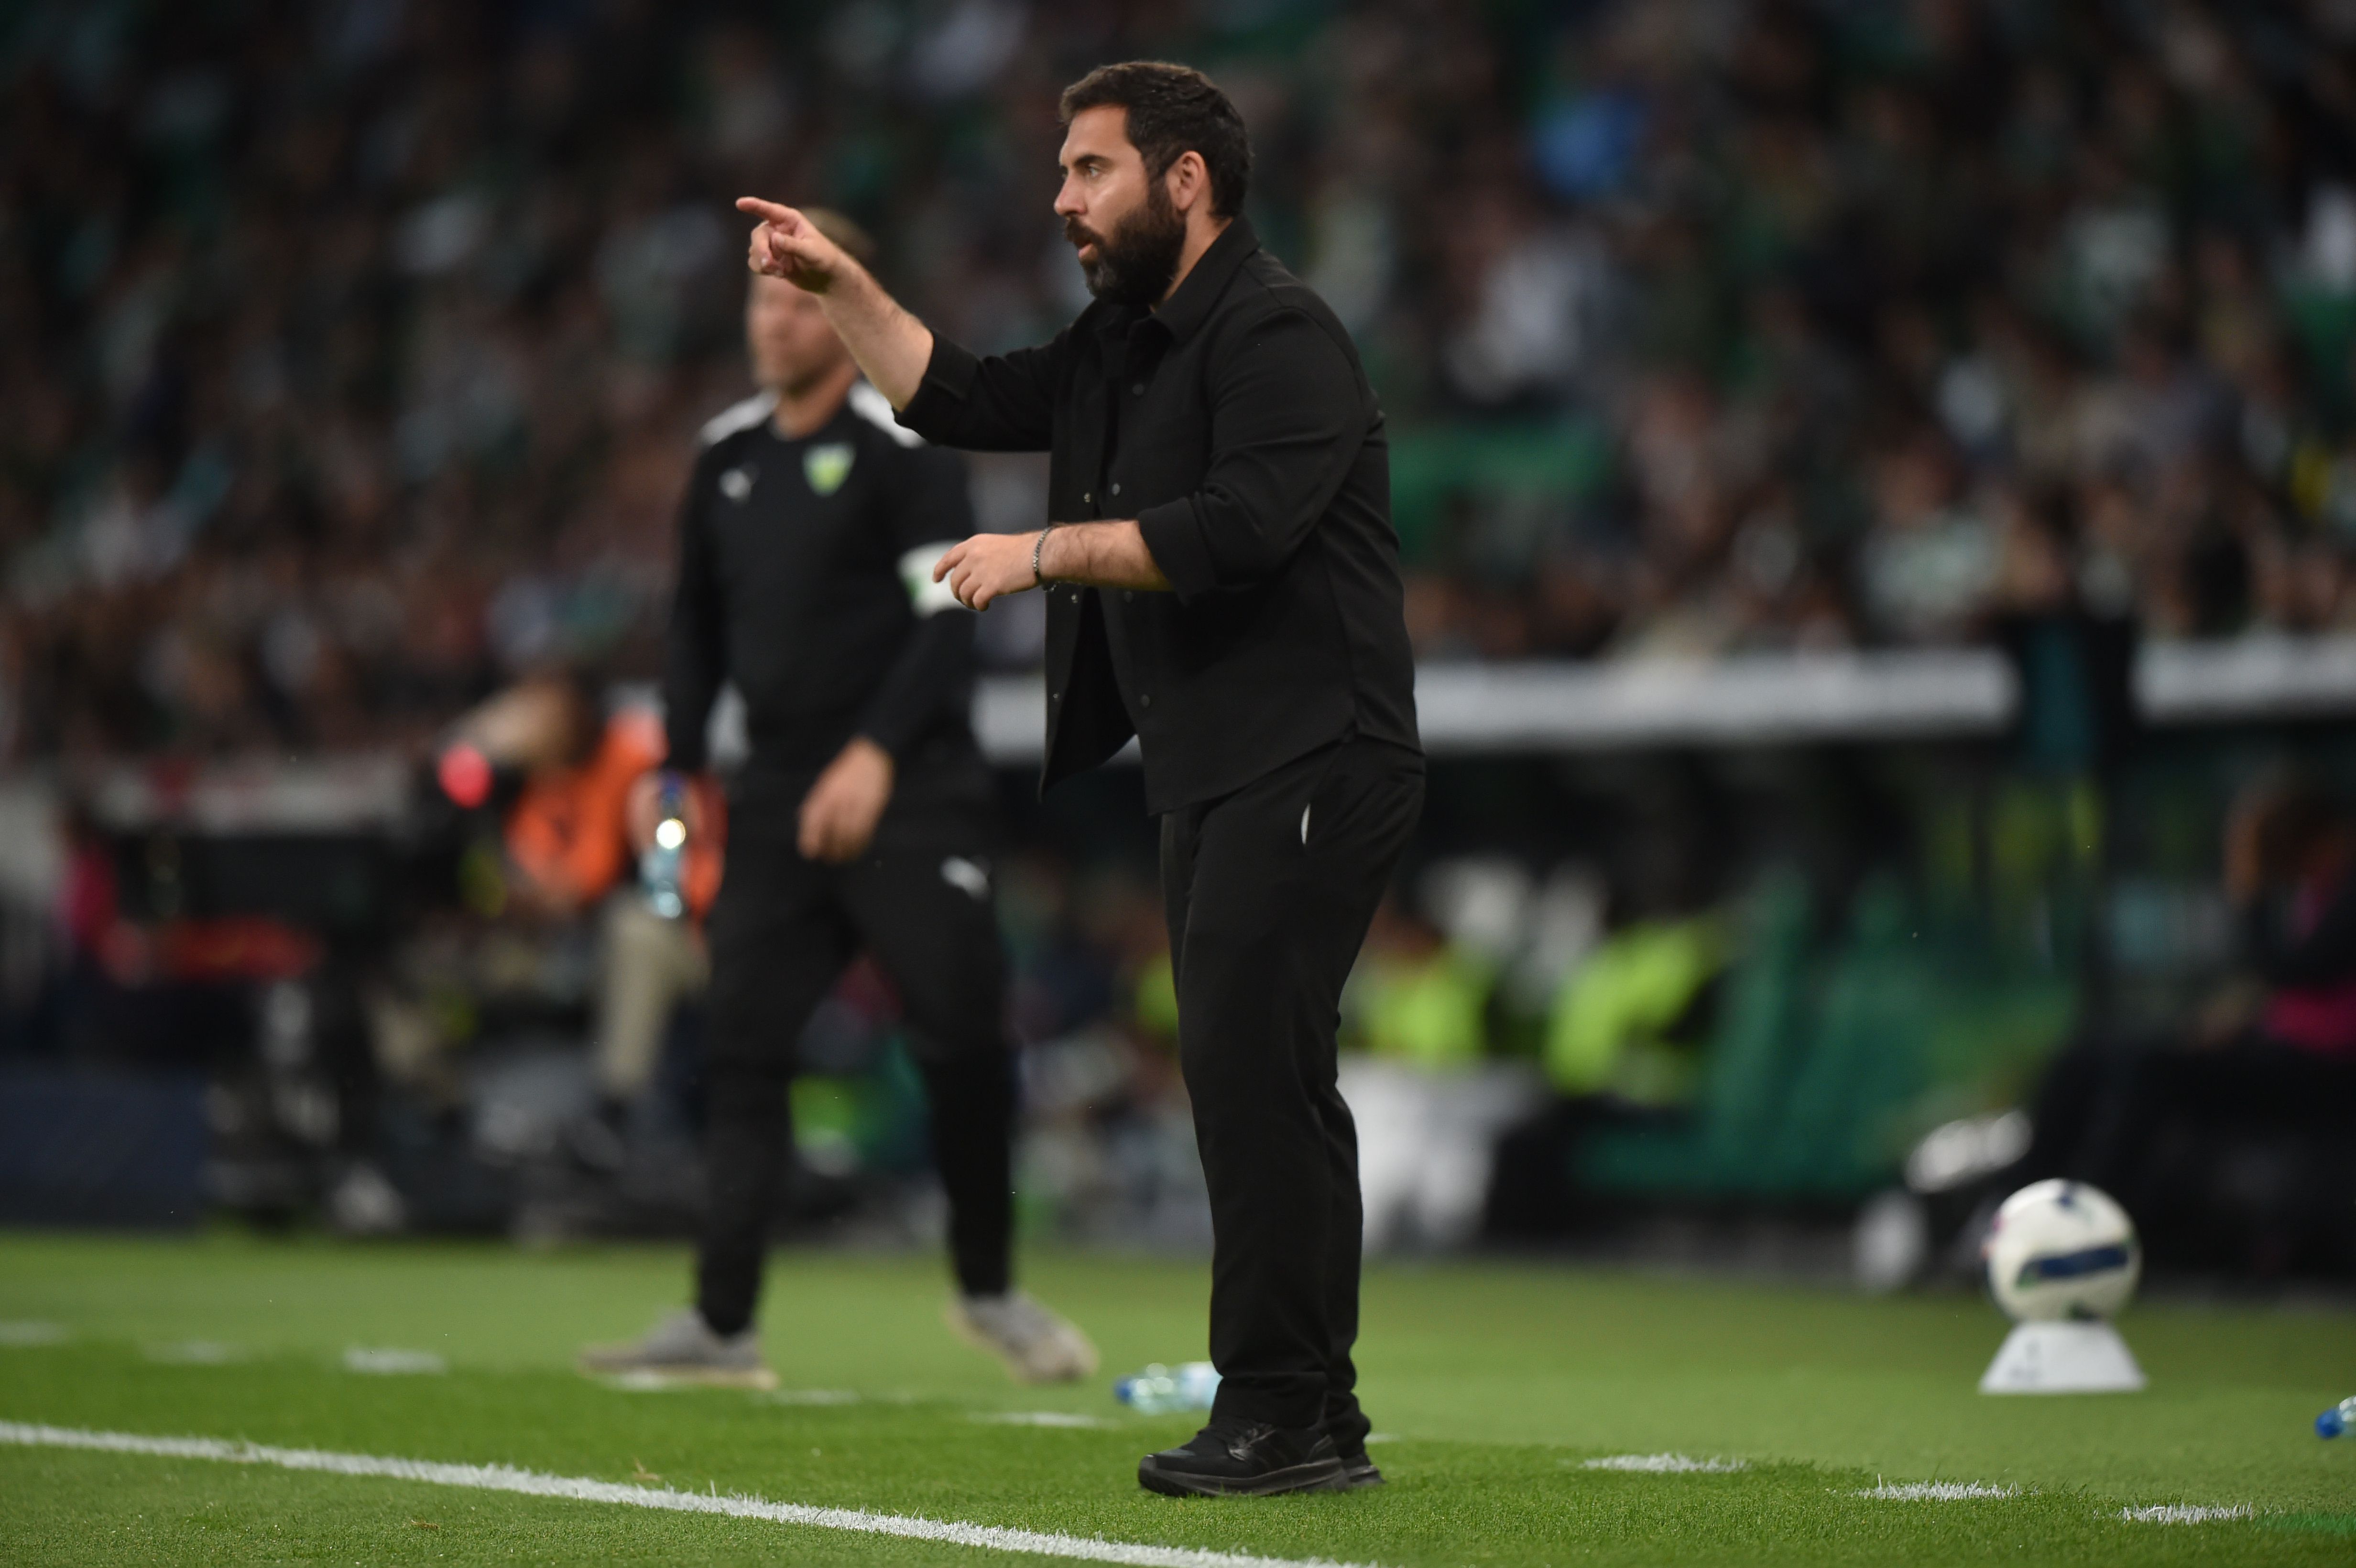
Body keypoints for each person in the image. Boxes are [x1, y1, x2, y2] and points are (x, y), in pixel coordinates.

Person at [737, 62, 1423, 1494]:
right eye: (1060, 173)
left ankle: (1283, 1410)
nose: (1061, 200)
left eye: (1090, 170)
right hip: (1217, 763)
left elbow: (1234, 530)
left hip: (1318, 749)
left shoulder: (1281, 330)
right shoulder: (1125, 341)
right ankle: (1310, 1412)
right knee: (1252, 1077)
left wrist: (1042, 551)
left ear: (1188, 181)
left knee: (1258, 1081)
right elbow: (957, 397)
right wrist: (840, 279)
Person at [579, 209, 1096, 1390]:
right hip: (771, 798)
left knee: (962, 1037)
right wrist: (676, 777)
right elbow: (694, 632)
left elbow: (946, 617)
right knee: (744, 1047)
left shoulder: (906, 450)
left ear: (839, 306)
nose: (770, 320)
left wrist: (871, 756)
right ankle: (721, 1324)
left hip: (912, 791)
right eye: (759, 301)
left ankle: (989, 1288)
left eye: (794, 299)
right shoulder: (725, 458)